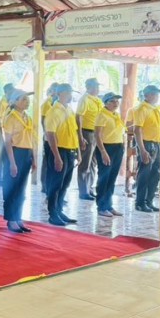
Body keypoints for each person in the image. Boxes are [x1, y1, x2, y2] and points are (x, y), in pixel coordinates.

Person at [44, 83, 80, 226]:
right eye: (67, 93)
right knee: (55, 183)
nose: (70, 96)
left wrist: (77, 152)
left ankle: (59, 210)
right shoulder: (54, 111)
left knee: (65, 183)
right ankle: (53, 214)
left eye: (71, 93)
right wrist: (57, 156)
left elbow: (74, 132)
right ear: (59, 94)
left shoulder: (69, 110)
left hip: (70, 149)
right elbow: (50, 134)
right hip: (58, 150)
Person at [1, 89, 35, 233]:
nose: (27, 102)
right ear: (15, 102)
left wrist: (33, 158)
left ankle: (18, 217)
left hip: (26, 152)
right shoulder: (10, 118)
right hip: (15, 153)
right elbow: (7, 142)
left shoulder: (27, 117)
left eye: (27, 99)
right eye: (23, 99)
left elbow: (31, 139)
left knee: (21, 188)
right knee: (12, 187)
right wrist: (12, 163)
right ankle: (11, 219)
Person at [94, 92, 125, 217]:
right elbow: (97, 135)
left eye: (117, 101)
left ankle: (108, 205)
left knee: (112, 179)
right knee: (104, 178)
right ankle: (101, 207)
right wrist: (103, 152)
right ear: (106, 103)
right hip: (106, 148)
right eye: (113, 101)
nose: (116, 103)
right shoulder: (101, 115)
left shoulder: (115, 114)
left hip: (118, 147)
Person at [133, 84, 160, 212]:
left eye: (157, 94)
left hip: (156, 143)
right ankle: (140, 203)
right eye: (154, 94)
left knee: (155, 174)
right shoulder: (142, 108)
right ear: (147, 95)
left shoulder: (154, 108)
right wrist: (142, 149)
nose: (157, 96)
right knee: (144, 173)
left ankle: (149, 201)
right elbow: (137, 130)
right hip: (146, 143)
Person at [76, 78, 103, 200]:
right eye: (94, 86)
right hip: (87, 133)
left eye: (97, 86)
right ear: (88, 87)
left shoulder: (97, 100)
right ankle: (83, 191)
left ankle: (89, 188)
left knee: (93, 163)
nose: (97, 89)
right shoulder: (85, 99)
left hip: (96, 134)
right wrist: (81, 136)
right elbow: (79, 117)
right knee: (85, 163)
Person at [0, 83, 14, 184]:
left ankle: (5, 176)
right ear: (6, 92)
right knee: (1, 156)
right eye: (11, 90)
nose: (13, 92)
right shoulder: (1, 104)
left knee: (6, 156)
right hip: (2, 134)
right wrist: (0, 136)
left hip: (9, 134)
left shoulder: (10, 102)